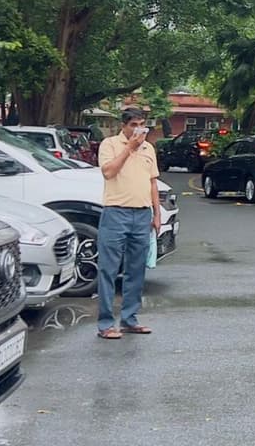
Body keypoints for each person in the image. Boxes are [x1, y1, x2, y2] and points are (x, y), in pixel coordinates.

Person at [95, 107, 161, 340]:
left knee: (136, 270)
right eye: (133, 124)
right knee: (109, 269)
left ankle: (129, 319)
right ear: (123, 126)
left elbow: (153, 182)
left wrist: (156, 213)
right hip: (115, 213)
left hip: (142, 214)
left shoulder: (148, 148)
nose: (138, 129)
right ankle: (105, 323)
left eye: (141, 124)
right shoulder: (110, 144)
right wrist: (129, 148)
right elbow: (108, 172)